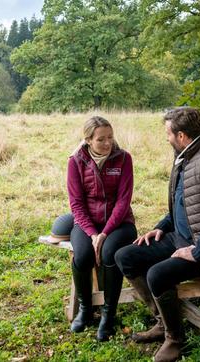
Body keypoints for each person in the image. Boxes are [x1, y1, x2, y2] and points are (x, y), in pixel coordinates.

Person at [115, 107, 200, 362]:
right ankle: (163, 322)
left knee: (158, 274)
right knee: (126, 256)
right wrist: (161, 227)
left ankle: (175, 340)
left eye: (168, 133)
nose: (166, 138)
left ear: (182, 135)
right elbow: (183, 205)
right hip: (182, 238)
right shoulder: (187, 157)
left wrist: (198, 251)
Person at [67, 116, 137, 341]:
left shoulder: (124, 159)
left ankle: (108, 314)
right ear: (88, 140)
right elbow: (76, 204)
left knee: (109, 253)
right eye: (101, 139)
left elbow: (123, 201)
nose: (107, 143)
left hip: (119, 224)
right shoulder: (76, 161)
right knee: (83, 255)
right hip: (87, 224)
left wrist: (105, 233)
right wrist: (92, 234)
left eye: (110, 137)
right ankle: (86, 309)